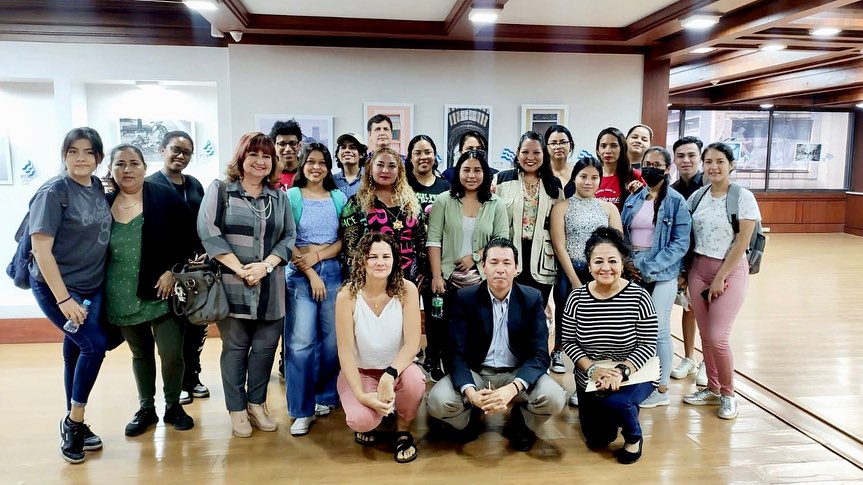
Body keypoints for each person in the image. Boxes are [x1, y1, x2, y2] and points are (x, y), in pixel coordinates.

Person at [197, 132, 296, 437]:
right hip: (231, 286)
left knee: (265, 350)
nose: (260, 161)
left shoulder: (279, 197)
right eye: (253, 154)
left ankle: (257, 404)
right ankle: (237, 409)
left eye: (267, 156)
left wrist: (265, 266)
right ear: (241, 157)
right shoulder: (221, 190)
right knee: (236, 348)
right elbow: (207, 230)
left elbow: (289, 238)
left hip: (271, 287)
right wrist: (241, 269)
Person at [427, 237, 566, 451]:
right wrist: (471, 393)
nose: (500, 269)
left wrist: (512, 389)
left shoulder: (531, 298)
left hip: (515, 372)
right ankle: (468, 420)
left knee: (555, 398)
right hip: (477, 373)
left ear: (516, 268)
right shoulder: (466, 297)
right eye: (493, 262)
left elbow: (539, 355)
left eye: (506, 263)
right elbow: (454, 352)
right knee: (437, 401)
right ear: (483, 267)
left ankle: (523, 423)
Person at [28, 127, 112, 464]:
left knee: (75, 351)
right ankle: (74, 423)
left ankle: (71, 419)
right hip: (57, 288)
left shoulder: (96, 188)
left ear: (98, 157)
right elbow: (41, 251)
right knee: (94, 345)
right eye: (73, 151)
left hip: (92, 285)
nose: (80, 158)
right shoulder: (53, 192)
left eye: (88, 152)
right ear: (64, 155)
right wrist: (64, 300)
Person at [105, 144, 197, 436]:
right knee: (140, 353)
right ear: (111, 170)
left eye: (134, 163)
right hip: (120, 292)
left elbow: (190, 235)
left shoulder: (162, 196)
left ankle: (173, 406)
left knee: (171, 352)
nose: (127, 170)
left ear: (145, 167)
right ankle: (147, 408)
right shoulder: (103, 203)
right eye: (120, 164)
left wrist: (173, 269)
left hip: (162, 291)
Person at [560, 227, 658, 464]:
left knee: (618, 401)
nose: (606, 267)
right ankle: (618, 411)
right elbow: (568, 341)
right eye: (598, 261)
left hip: (633, 373)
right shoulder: (577, 298)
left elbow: (648, 344)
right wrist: (593, 370)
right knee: (597, 440)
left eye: (612, 261)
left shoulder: (639, 297)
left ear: (622, 263)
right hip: (591, 376)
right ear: (589, 265)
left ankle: (634, 436)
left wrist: (621, 371)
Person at [682, 142, 761, 420]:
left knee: (718, 337)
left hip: (730, 270)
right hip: (698, 268)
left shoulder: (743, 196)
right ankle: (713, 389)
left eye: (720, 162)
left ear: (731, 165)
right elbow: (689, 237)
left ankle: (729, 393)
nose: (713, 167)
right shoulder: (698, 196)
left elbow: (743, 240)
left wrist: (721, 278)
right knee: (706, 335)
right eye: (709, 162)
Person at [335, 232, 424, 463]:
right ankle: (372, 418)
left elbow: (413, 343)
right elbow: (344, 352)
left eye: (386, 256)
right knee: (361, 420)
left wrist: (389, 374)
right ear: (362, 260)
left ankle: (403, 430)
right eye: (372, 256)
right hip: (361, 371)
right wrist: (361, 396)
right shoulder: (347, 295)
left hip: (398, 370)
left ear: (395, 260)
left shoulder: (408, 290)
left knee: (415, 382)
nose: (380, 262)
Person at [425, 149, 509, 381]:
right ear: (457, 172)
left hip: (481, 279)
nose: (471, 175)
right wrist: (436, 276)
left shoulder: (496, 204)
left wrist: (475, 256)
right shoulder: (443, 200)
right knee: (446, 329)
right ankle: (446, 372)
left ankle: (473, 374)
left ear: (485, 174)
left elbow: (501, 241)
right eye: (466, 170)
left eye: (477, 170)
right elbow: (433, 239)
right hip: (448, 278)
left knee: (475, 330)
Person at [283, 143, 346, 436]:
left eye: (322, 162)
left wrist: (319, 257)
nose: (316, 167)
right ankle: (301, 409)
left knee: (331, 340)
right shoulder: (292, 196)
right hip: (299, 274)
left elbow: (342, 241)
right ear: (302, 164)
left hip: (332, 271)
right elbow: (287, 239)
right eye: (311, 161)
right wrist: (310, 272)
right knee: (300, 343)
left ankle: (324, 396)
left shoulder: (337, 197)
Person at [621, 147, 691, 408]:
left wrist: (649, 267)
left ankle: (661, 388)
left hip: (662, 272)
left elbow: (680, 244)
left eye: (657, 164)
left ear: (667, 168)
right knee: (633, 330)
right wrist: (627, 263)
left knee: (660, 329)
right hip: (631, 269)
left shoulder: (676, 202)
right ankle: (638, 380)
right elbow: (623, 234)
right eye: (647, 163)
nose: (650, 168)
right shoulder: (635, 197)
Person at [145, 130, 210, 406]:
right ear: (162, 149)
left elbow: (204, 223)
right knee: (173, 331)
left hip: (195, 268)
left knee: (196, 326)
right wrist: (170, 267)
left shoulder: (194, 185)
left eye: (186, 152)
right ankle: (175, 383)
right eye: (175, 149)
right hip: (165, 270)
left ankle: (192, 377)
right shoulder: (149, 185)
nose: (180, 156)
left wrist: (206, 253)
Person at [549, 155, 622, 387]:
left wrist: (606, 273)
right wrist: (572, 278)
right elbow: (559, 244)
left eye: (594, 177)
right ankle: (558, 351)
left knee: (599, 321)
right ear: (575, 178)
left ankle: (597, 365)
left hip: (602, 274)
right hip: (571, 270)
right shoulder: (562, 206)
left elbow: (617, 244)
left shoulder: (608, 208)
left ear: (600, 180)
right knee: (565, 313)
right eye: (583, 177)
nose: (588, 182)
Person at [493, 131, 562, 314]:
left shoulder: (555, 185)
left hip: (542, 258)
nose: (530, 158)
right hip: (510, 254)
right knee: (508, 313)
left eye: (536, 152)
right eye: (525, 152)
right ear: (517, 153)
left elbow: (558, 226)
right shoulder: (501, 179)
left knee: (535, 313)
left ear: (544, 154)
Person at [340, 147, 426, 286]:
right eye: (380, 165)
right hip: (370, 280)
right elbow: (350, 248)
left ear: (399, 171)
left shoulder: (411, 201)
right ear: (370, 169)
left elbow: (421, 238)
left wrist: (424, 271)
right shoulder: (357, 203)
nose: (385, 170)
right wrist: (357, 278)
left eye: (391, 166)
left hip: (408, 279)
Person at [669, 136, 707, 386]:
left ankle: (708, 361)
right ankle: (689, 357)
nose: (686, 160)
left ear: (700, 158)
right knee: (688, 308)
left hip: (707, 258)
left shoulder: (709, 186)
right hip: (685, 259)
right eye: (681, 156)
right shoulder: (673, 189)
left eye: (691, 155)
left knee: (707, 311)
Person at [595, 127, 645, 211]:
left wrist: (641, 191)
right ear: (597, 151)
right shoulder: (593, 175)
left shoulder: (634, 175)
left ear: (622, 149)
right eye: (603, 146)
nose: (608, 150)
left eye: (613, 146)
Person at [406, 134, 449, 214]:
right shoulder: (403, 185)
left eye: (427, 152)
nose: (423, 157)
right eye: (418, 153)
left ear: (435, 155)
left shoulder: (445, 186)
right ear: (410, 158)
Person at [269, 119, 303, 190]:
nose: (288, 149)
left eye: (293, 143)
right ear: (274, 146)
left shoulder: (309, 171)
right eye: (282, 144)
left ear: (299, 145)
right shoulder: (267, 172)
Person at [333, 132, 368, 199]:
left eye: (353, 147)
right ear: (338, 154)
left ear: (362, 154)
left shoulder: (369, 179)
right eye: (343, 147)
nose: (347, 150)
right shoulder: (332, 181)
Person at [545, 125, 577, 197]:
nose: (558, 147)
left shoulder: (578, 172)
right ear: (546, 147)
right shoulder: (540, 174)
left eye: (563, 142)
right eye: (553, 143)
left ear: (571, 146)